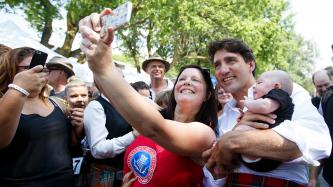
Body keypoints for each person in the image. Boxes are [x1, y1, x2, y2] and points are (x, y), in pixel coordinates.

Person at [79, 9, 217, 186]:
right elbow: (114, 95)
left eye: (195, 80)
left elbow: (155, 129)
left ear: (207, 95)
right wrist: (95, 49)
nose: (187, 82)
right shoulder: (154, 111)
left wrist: (104, 67)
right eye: (182, 78)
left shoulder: (204, 134)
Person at [203, 38, 331, 186]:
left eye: (231, 61)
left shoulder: (284, 90)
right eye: (217, 65)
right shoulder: (223, 115)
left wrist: (234, 140)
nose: (223, 70)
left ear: (251, 64)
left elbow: (318, 141)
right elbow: (216, 174)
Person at [0, 47, 83, 186]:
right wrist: (19, 88)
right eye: (31, 68)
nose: (40, 74)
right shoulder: (3, 103)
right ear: (12, 70)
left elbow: (69, 144)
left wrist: (78, 129)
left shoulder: (58, 104)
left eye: (44, 70)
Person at [83, 68, 138, 186]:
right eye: (114, 79)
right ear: (100, 82)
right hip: (105, 174)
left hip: (128, 172)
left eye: (121, 79)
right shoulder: (96, 106)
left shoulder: (128, 104)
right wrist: (133, 135)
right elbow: (98, 150)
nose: (120, 83)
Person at [234, 70, 294, 172]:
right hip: (258, 156)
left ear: (276, 86)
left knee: (238, 132)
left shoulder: (280, 94)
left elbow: (264, 106)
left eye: (259, 82)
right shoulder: (268, 99)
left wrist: (248, 103)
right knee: (238, 130)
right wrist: (244, 116)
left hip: (268, 153)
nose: (254, 86)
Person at [309, 67, 333, 187]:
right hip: (327, 172)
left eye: (326, 85)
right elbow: (318, 141)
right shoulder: (314, 105)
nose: (323, 89)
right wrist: (313, 178)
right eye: (319, 86)